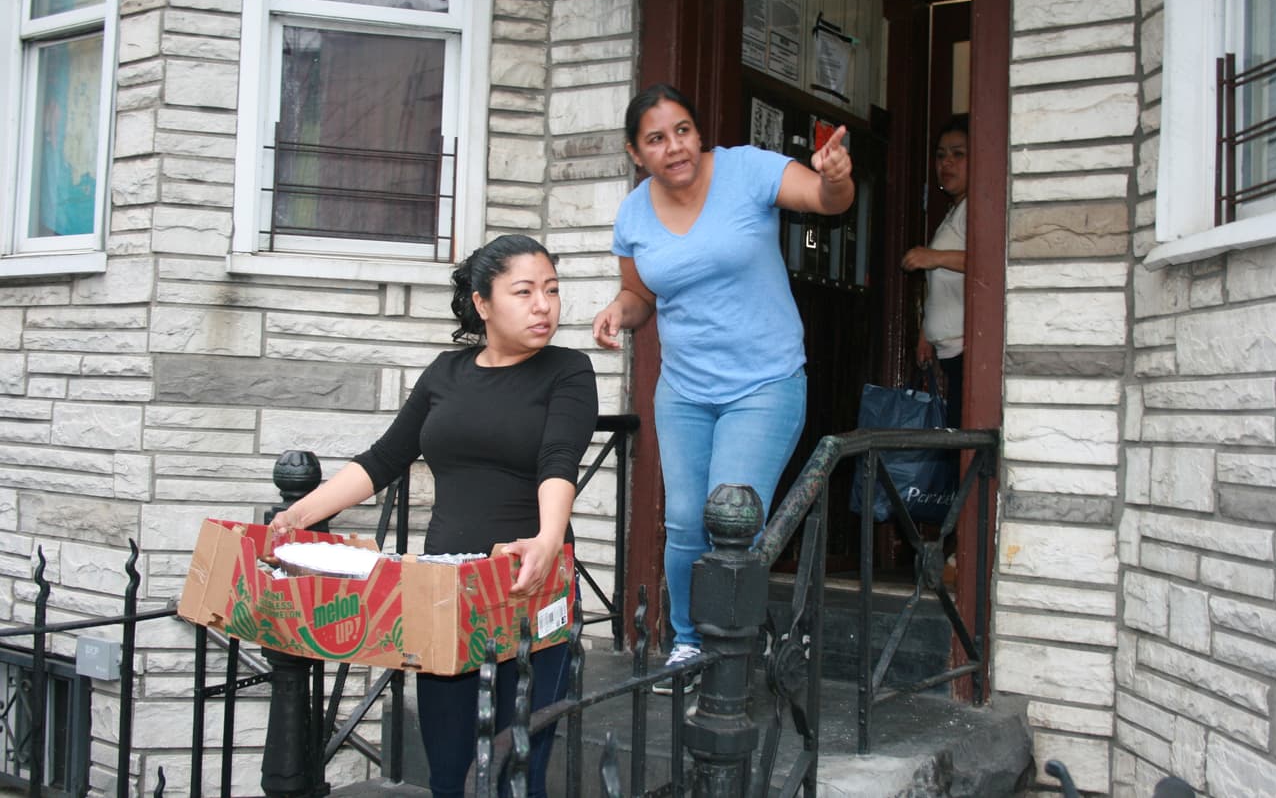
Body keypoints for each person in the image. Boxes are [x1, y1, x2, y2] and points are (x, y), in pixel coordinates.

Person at [269, 234, 598, 798]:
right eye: (524, 292)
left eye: (551, 290)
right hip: (446, 593)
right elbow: (383, 459)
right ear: (483, 303)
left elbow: (559, 459)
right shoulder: (446, 372)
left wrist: (548, 539)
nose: (543, 305)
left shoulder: (567, 370)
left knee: (516, 774)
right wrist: (298, 513)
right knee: (449, 771)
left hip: (528, 584)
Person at [592, 83, 855, 692]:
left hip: (764, 383)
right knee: (686, 521)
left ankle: (730, 649)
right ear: (636, 152)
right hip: (685, 389)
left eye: (683, 130)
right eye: (656, 139)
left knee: (732, 518)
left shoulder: (746, 171)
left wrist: (836, 177)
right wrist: (617, 312)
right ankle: (688, 643)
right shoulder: (634, 214)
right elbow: (640, 295)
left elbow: (826, 201)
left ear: (698, 131)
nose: (674, 146)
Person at [901, 114, 968, 429]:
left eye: (958, 154)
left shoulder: (976, 209)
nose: (947, 163)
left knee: (961, 442)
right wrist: (925, 335)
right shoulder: (955, 211)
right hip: (949, 353)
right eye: (941, 155)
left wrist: (935, 257)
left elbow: (986, 263)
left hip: (968, 353)